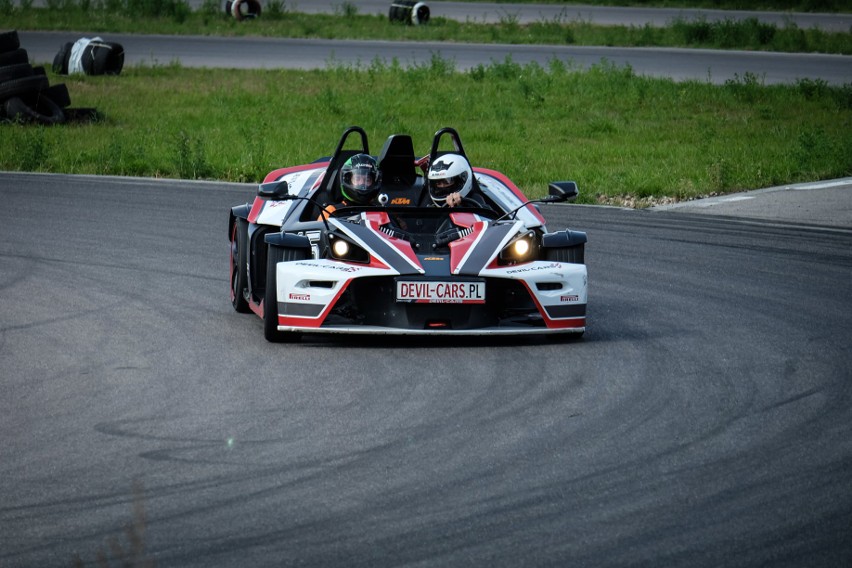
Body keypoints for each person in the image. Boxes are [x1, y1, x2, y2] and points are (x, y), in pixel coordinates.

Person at [318, 153, 382, 220]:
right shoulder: (331, 212)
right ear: (348, 180)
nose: (362, 183)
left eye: (367, 180)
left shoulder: (381, 212)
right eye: (357, 179)